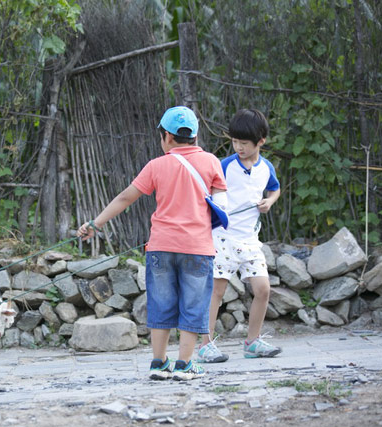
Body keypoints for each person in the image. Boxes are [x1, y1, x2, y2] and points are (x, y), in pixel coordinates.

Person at [78, 106, 227, 380]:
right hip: (197, 248)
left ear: (166, 137)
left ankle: (159, 363)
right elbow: (221, 205)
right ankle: (185, 364)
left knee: (161, 302)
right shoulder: (211, 162)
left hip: (160, 247)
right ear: (195, 137)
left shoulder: (156, 165)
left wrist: (95, 224)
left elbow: (125, 198)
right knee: (194, 304)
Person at [197, 108, 282, 363]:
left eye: (243, 143)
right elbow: (207, 192)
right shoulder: (224, 165)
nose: (238, 147)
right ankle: (205, 344)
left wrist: (269, 202)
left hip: (250, 240)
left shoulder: (266, 168)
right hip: (223, 237)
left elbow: (275, 189)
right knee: (216, 291)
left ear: (261, 142)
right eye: (234, 142)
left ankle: (252, 342)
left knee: (263, 289)